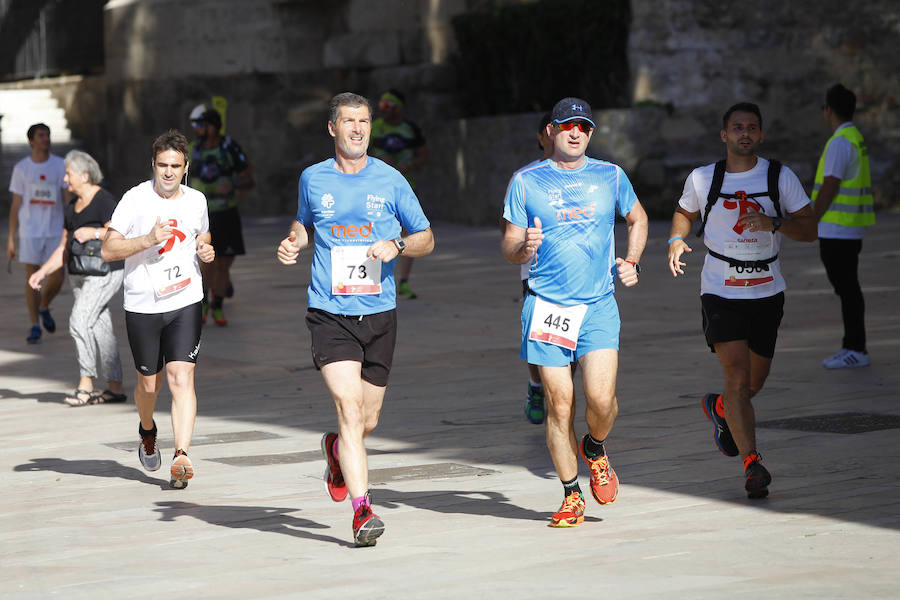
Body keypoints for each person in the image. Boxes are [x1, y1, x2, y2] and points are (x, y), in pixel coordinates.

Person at [277, 92, 434, 546]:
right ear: (333, 128)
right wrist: (294, 241)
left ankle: (335, 450)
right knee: (348, 409)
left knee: (367, 421)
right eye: (349, 121)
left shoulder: (390, 179)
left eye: (364, 121)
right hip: (330, 311)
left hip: (380, 313)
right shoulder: (313, 178)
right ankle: (362, 511)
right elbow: (303, 223)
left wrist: (398, 245)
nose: (358, 129)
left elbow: (426, 237)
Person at [501, 97, 648, 527]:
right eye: (568, 126)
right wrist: (523, 248)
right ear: (552, 131)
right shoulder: (525, 181)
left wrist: (632, 261)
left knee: (601, 400)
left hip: (597, 305)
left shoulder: (611, 175)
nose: (576, 133)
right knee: (559, 403)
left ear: (591, 133)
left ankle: (595, 447)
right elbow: (508, 247)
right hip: (546, 305)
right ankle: (571, 494)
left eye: (583, 127)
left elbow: (638, 219)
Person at [666, 102, 817, 499]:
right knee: (736, 376)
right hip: (721, 289)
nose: (744, 133)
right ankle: (753, 464)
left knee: (752, 383)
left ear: (761, 135)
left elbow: (810, 229)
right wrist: (676, 238)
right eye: (737, 127)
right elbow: (684, 212)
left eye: (752, 127)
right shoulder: (704, 178)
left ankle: (721, 409)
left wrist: (775, 223)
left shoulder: (780, 177)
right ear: (724, 135)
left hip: (767, 290)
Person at [102, 129, 216, 489]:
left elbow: (203, 233)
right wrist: (148, 239)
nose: (168, 172)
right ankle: (147, 430)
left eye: (175, 166)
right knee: (148, 386)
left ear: (186, 168)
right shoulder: (134, 200)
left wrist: (205, 247)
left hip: (185, 300)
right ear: (153, 164)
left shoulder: (196, 200)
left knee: (181, 377)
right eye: (162, 165)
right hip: (143, 305)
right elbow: (108, 249)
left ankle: (182, 455)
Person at [28, 150, 126, 406]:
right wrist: (42, 272)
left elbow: (120, 235)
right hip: (78, 274)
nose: (65, 179)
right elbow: (63, 247)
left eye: (68, 174)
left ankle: (86, 383)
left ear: (84, 175)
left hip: (105, 272)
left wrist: (93, 233)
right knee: (101, 327)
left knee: (79, 321)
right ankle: (115, 386)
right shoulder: (72, 206)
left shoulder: (104, 200)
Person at [812, 84, 875, 369]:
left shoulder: (839, 142)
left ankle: (856, 349)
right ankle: (851, 345)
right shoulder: (854, 137)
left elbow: (830, 185)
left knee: (847, 290)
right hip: (848, 228)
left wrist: (811, 219)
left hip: (837, 229)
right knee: (848, 289)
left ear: (828, 110)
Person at [499, 112, 554, 424]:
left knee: (571, 346)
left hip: (578, 275)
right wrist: (522, 247)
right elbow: (508, 226)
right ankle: (536, 386)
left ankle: (558, 391)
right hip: (536, 273)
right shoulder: (524, 177)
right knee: (537, 337)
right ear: (541, 137)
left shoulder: (589, 175)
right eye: (552, 130)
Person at [188, 104, 254, 326]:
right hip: (201, 216)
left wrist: (233, 185)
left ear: (213, 126)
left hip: (226, 213)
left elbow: (248, 175)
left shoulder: (229, 147)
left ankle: (217, 305)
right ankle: (203, 302)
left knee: (224, 263)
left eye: (201, 124)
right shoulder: (192, 150)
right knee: (206, 262)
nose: (197, 129)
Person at [7, 123, 71, 343]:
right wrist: (11, 238)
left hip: (55, 228)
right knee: (31, 277)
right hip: (30, 231)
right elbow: (16, 204)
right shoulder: (22, 168)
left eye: (48, 135)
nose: (46, 139)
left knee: (58, 275)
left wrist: (72, 224)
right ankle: (35, 325)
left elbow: (67, 197)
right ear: (31, 141)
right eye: (41, 135)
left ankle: (44, 305)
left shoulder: (60, 165)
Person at [369, 89, 428, 299]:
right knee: (374, 232)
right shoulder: (374, 128)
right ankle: (371, 280)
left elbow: (424, 155)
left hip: (406, 188)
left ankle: (403, 282)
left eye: (388, 105)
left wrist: (408, 165)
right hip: (377, 189)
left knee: (409, 234)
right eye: (381, 105)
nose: (383, 109)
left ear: (399, 108)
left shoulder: (410, 129)